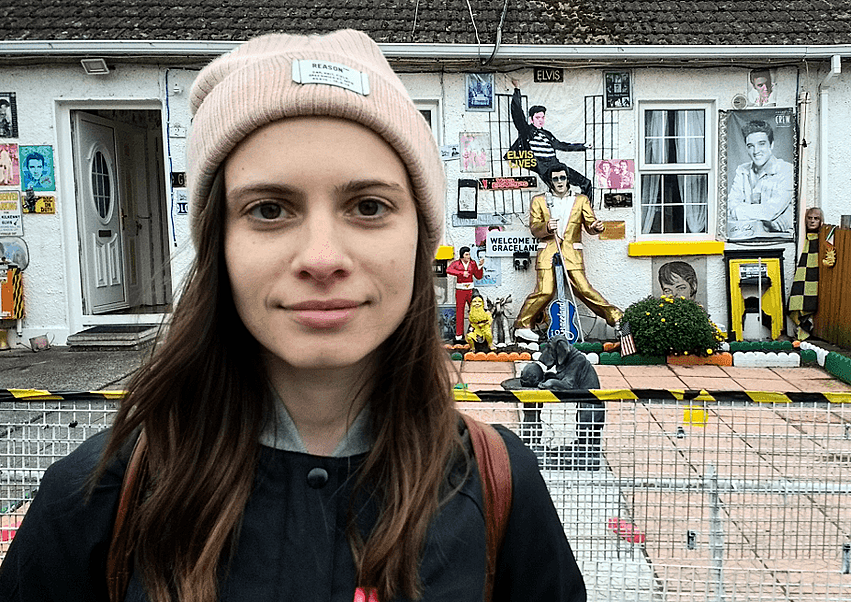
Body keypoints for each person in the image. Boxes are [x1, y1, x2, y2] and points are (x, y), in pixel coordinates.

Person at [0, 30, 585, 602]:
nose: (322, 258)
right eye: (270, 209)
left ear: (419, 237)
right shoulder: (95, 499)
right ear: (218, 242)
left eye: (369, 205)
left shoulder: (501, 490)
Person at [514, 163, 622, 343]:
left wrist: (597, 227)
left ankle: (617, 318)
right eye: (555, 179)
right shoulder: (539, 200)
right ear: (550, 181)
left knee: (583, 289)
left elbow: (590, 224)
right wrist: (547, 227)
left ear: (568, 179)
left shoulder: (581, 200)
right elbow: (535, 228)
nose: (559, 182)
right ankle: (522, 326)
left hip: (572, 253)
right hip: (548, 252)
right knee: (545, 291)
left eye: (562, 178)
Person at [506, 78, 592, 198]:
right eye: (537, 117)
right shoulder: (527, 131)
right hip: (543, 166)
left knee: (586, 183)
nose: (541, 120)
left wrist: (583, 146)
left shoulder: (547, 134)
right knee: (559, 192)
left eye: (542, 117)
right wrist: (517, 90)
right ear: (531, 119)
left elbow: (562, 145)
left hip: (555, 164)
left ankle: (587, 212)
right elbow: (517, 114)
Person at [726, 119, 794, 241]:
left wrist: (739, 211)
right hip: (745, 239)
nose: (756, 151)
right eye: (750, 146)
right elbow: (730, 206)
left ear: (771, 144)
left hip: (777, 241)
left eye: (761, 143)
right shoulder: (742, 170)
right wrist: (766, 220)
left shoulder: (787, 170)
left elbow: (771, 210)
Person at [788, 207, 835, 341]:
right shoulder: (803, 237)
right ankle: (801, 327)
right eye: (810, 218)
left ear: (821, 221)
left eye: (816, 218)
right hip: (805, 271)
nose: (812, 221)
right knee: (799, 298)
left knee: (810, 299)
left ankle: (806, 329)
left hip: (816, 274)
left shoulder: (823, 239)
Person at [446, 246, 484, 342]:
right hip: (460, 290)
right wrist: (461, 273)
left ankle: (474, 331)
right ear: (462, 255)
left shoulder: (473, 263)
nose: (468, 256)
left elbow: (478, 276)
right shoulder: (456, 263)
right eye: (466, 254)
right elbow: (448, 270)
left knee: (474, 311)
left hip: (470, 289)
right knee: (460, 312)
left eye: (469, 254)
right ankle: (459, 334)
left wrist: (480, 267)